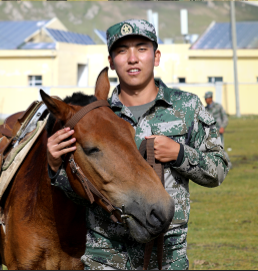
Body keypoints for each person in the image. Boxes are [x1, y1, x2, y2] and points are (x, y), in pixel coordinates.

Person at [47, 19, 229, 270]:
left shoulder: (187, 107)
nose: (132, 58)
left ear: (156, 57)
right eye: (122, 51)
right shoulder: (96, 119)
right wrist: (55, 167)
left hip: (167, 258)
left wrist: (179, 154)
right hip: (106, 258)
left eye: (141, 48)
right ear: (111, 62)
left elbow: (218, 171)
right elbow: (83, 194)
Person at [204, 91, 232, 168]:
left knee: (220, 147)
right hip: (209, 132)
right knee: (210, 149)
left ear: (211, 98)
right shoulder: (205, 109)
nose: (206, 100)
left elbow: (225, 118)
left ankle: (228, 163)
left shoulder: (218, 107)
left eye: (207, 98)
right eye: (205, 98)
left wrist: (223, 127)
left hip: (218, 130)